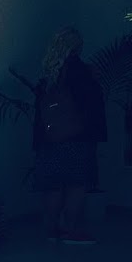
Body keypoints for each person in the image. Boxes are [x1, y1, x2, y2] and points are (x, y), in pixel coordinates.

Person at [31, 27, 107, 244]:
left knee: (54, 185)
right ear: (76, 46)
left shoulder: (48, 73)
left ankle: (52, 229)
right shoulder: (82, 72)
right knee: (76, 184)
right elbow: (91, 107)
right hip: (77, 137)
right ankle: (70, 229)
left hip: (50, 139)